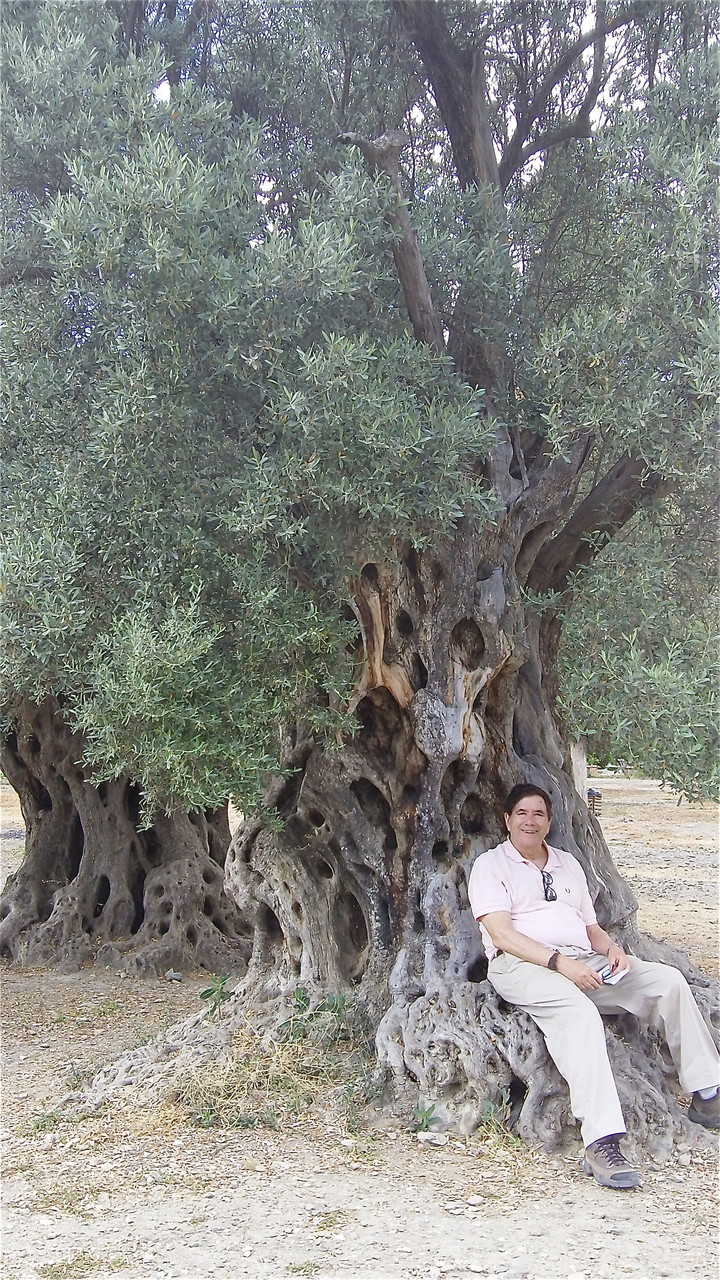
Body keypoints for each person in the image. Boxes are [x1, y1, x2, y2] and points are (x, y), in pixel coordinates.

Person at [467, 783, 720, 1190]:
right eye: (522, 814)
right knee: (579, 1013)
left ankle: (708, 1093)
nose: (530, 821)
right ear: (507, 820)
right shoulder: (492, 866)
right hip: (521, 964)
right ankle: (601, 1141)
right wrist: (559, 963)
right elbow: (501, 933)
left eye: (538, 814)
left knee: (668, 982)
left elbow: (591, 928)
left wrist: (612, 948)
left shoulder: (567, 863)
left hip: (582, 960)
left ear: (549, 822)